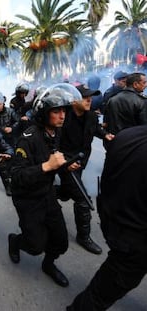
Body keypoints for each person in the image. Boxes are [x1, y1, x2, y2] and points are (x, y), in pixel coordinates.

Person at [8, 83, 82, 288]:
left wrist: (65, 164)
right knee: (34, 246)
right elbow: (17, 176)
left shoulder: (55, 133)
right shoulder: (28, 139)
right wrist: (47, 166)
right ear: (44, 113)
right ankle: (15, 241)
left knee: (60, 241)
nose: (62, 116)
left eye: (64, 111)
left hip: (47, 194)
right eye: (56, 111)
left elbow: (54, 157)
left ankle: (48, 265)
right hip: (28, 199)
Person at [67, 125, 147, 310]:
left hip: (113, 220)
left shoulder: (127, 134)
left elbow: (108, 177)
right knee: (99, 296)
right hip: (135, 241)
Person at [58, 84, 114, 255]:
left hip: (81, 161)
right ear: (74, 100)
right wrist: (66, 161)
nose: (90, 100)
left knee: (67, 193)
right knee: (83, 199)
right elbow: (53, 143)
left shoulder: (90, 115)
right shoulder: (62, 116)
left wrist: (105, 135)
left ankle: (45, 194)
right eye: (85, 97)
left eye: (91, 96)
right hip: (65, 163)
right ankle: (84, 236)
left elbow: (95, 128)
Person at [104, 72, 147, 137]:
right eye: (144, 83)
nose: (146, 85)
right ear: (135, 84)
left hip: (115, 140)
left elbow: (106, 123)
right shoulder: (142, 101)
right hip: (134, 140)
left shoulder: (112, 99)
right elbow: (144, 126)